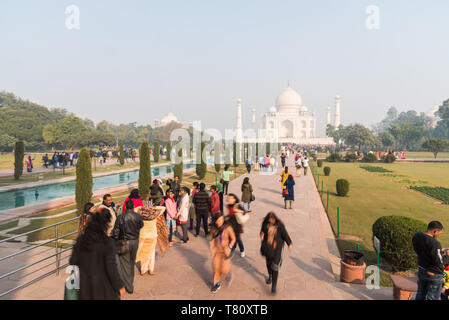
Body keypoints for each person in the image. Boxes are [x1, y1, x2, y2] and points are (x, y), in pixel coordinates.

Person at [70, 209, 126, 300]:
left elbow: (73, 261)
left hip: (86, 289)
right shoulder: (108, 242)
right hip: (104, 290)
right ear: (105, 225)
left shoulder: (81, 240)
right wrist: (119, 285)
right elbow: (111, 267)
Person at [112, 200, 143, 294]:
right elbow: (141, 225)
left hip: (124, 242)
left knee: (125, 265)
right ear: (133, 207)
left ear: (125, 207)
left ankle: (129, 286)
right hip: (134, 241)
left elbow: (116, 232)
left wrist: (115, 241)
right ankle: (130, 283)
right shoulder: (137, 216)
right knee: (131, 262)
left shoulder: (120, 217)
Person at [412, 221, 447, 300]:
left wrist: (439, 251)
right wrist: (447, 256)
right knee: (432, 297)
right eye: (439, 233)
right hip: (434, 274)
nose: (439, 235)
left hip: (422, 269)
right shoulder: (435, 243)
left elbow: (425, 251)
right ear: (435, 231)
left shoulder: (417, 236)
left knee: (420, 294)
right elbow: (439, 263)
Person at [260, 211, 293, 294]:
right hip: (268, 248)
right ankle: (270, 275)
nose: (271, 222)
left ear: (275, 219)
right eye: (269, 220)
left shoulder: (279, 226)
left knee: (275, 266)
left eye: (272, 220)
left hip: (278, 248)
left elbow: (285, 235)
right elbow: (262, 232)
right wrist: (262, 235)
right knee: (268, 264)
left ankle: (274, 286)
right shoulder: (265, 225)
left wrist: (289, 244)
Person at [210, 212, 236, 293]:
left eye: (221, 220)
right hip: (217, 251)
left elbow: (233, 239)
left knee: (224, 270)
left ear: (223, 219)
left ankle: (227, 273)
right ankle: (216, 284)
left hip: (225, 252)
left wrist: (229, 247)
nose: (219, 222)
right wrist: (212, 249)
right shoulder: (214, 228)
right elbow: (211, 239)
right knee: (216, 269)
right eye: (217, 220)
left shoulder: (228, 228)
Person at [136, 205, 166, 276]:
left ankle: (143, 270)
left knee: (143, 252)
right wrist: (154, 208)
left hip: (143, 236)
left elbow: (136, 208)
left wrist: (142, 207)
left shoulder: (140, 214)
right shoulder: (155, 215)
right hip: (152, 236)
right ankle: (151, 270)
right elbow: (163, 208)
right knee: (151, 253)